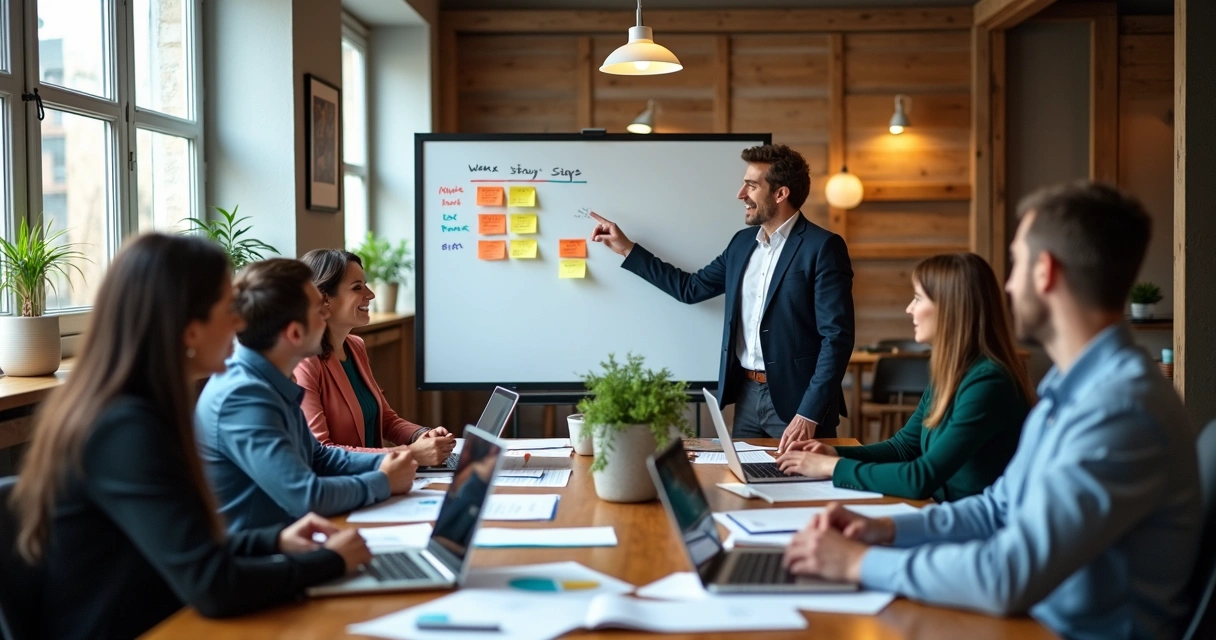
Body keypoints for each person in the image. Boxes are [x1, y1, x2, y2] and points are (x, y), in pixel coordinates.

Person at [782, 182, 1201, 640]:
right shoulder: (1068, 390)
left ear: (1045, 272)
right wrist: (882, 530)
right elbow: (996, 510)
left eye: (1017, 262)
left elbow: (1006, 577)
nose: (1007, 284)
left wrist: (859, 562)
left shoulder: (1118, 411)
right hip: (1032, 616)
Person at [9, 235, 370, 640]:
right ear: (188, 326)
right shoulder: (124, 428)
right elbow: (211, 585)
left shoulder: (136, 408)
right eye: (226, 307)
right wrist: (329, 561)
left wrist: (274, 540)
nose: (239, 322)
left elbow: (185, 542)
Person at [590, 143, 854, 449]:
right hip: (746, 396)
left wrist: (810, 413)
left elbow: (837, 338)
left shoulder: (823, 248)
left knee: (804, 491)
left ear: (780, 194)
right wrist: (627, 248)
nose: (740, 194)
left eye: (752, 186)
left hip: (799, 405)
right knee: (747, 487)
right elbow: (690, 289)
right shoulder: (741, 244)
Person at [775, 252, 1034, 501]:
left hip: (975, 531)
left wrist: (832, 467)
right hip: (943, 514)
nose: (909, 309)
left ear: (950, 308)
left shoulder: (988, 383)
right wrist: (833, 452)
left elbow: (920, 478)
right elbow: (904, 448)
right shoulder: (951, 372)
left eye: (918, 299)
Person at [196, 258, 418, 532]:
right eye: (318, 310)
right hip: (260, 555)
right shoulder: (243, 396)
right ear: (295, 332)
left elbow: (319, 457)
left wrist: (386, 461)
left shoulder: (271, 378)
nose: (326, 315)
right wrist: (383, 481)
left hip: (292, 535)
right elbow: (305, 496)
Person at [294, 249, 455, 465]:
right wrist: (411, 453)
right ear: (324, 299)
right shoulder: (304, 363)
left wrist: (422, 435)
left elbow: (386, 420)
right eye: (357, 287)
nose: (370, 294)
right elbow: (321, 453)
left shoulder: (355, 346)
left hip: (381, 477)